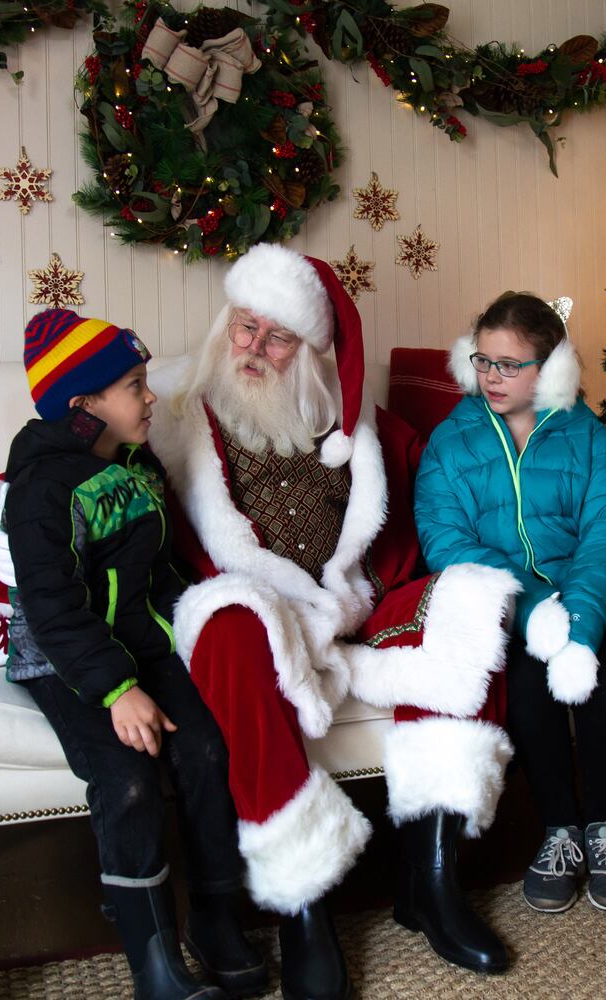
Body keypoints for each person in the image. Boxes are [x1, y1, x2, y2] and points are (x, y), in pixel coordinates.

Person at [147, 246, 522, 999]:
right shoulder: (178, 418)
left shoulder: (359, 428)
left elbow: (409, 523)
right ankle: (305, 903)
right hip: (255, 609)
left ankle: (433, 881)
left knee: (471, 601)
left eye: (276, 336)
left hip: (347, 604)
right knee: (228, 625)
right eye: (245, 327)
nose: (253, 348)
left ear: (313, 351)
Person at [3, 309, 266, 1000]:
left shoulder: (135, 464)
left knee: (208, 748)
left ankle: (216, 915)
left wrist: (201, 627)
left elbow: (165, 567)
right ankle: (154, 960)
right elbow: (53, 608)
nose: (151, 398)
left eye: (145, 382)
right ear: (82, 404)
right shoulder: (40, 489)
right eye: (133, 385)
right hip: (69, 655)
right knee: (127, 780)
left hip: (140, 640)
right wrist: (118, 691)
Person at [414, 293, 606, 915]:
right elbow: (446, 540)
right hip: (504, 604)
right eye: (483, 361)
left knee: (605, 675)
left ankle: (605, 828)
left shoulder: (586, 433)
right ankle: (559, 830)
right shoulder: (452, 441)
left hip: (589, 593)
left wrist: (577, 624)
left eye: (510, 365)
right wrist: (533, 612)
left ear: (548, 368)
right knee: (528, 685)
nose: (492, 378)